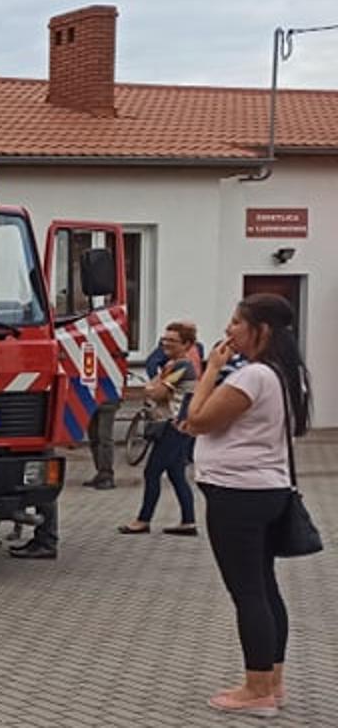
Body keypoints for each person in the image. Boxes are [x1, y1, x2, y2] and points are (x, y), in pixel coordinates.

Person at [178, 294, 309, 717]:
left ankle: (256, 690)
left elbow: (197, 419)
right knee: (265, 587)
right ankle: (273, 681)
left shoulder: (252, 376)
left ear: (262, 330)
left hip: (239, 495)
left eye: (237, 322)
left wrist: (211, 369)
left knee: (248, 591)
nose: (229, 330)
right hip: (267, 491)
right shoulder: (286, 374)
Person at [119, 321, 203, 535]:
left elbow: (157, 393)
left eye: (172, 341)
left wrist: (152, 387)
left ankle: (143, 520)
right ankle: (188, 522)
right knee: (176, 474)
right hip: (177, 426)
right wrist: (154, 387)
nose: (166, 344)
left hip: (173, 427)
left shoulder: (181, 366)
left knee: (152, 472)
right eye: (164, 339)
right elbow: (156, 388)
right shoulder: (173, 365)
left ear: (187, 344)